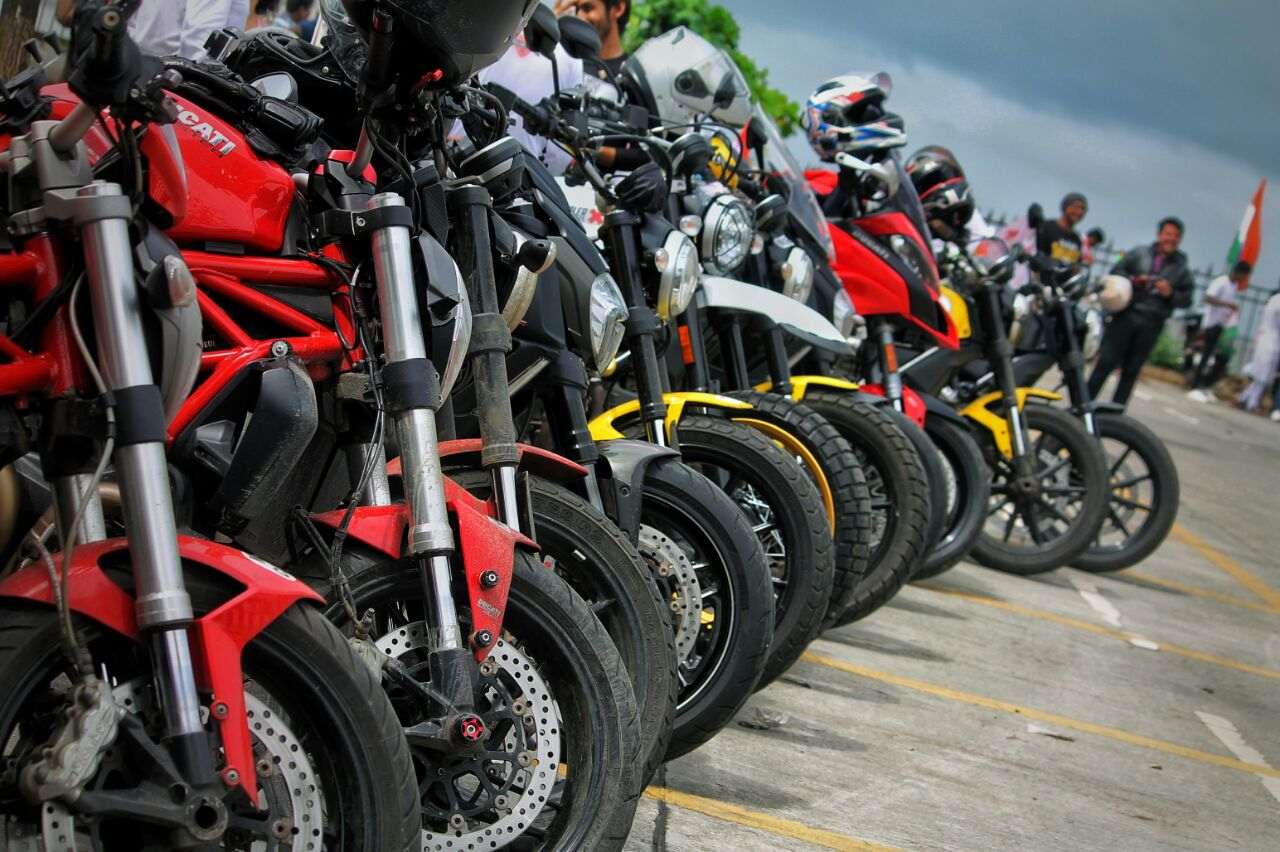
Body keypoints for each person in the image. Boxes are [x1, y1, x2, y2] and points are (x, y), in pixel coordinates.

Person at [1086, 216, 1194, 406]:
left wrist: (1170, 293)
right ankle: (1083, 406)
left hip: (1152, 323)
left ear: (1180, 239)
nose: (1171, 239)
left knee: (1131, 370)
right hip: (1126, 315)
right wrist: (1135, 280)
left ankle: (1115, 414)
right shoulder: (1139, 253)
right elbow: (1116, 272)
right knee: (1105, 363)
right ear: (1159, 234)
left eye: (1176, 236)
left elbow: (1187, 299)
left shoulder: (1182, 268)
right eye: (1168, 234)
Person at [1187, 260, 1251, 401]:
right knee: (1205, 356)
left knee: (1220, 357)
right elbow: (1208, 298)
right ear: (1239, 272)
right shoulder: (1221, 281)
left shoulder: (1233, 286)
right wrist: (1227, 304)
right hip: (1211, 323)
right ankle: (1195, 385)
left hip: (1221, 325)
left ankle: (1204, 385)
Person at [557, 0, 630, 80]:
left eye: (587, 8)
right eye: (577, 10)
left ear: (618, 9)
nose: (579, 17)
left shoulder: (632, 73)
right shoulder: (568, 67)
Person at [1237, 287, 1280, 417]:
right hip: (1272, 340)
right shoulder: (1277, 301)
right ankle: (1252, 402)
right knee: (1264, 374)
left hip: (1265, 338)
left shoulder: (1273, 299)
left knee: (1261, 373)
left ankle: (1245, 398)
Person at [1036, 192, 1087, 267]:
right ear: (1065, 206)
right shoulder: (1046, 227)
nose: (1079, 212)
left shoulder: (1077, 240)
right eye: (1075, 207)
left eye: (1083, 209)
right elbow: (1035, 255)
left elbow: (1075, 266)